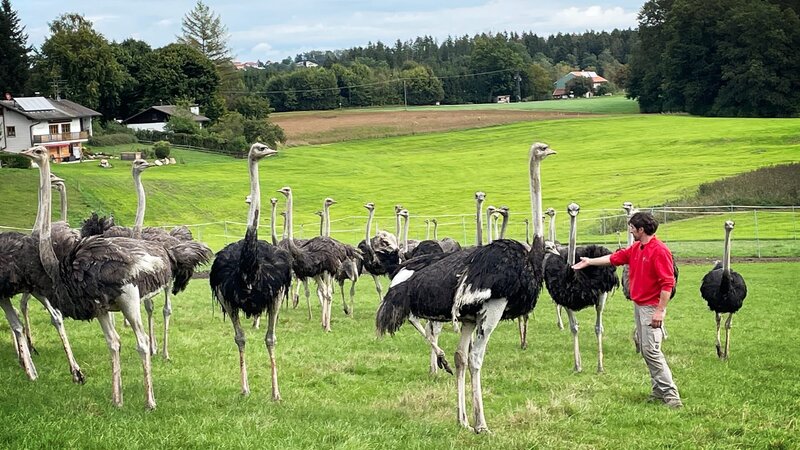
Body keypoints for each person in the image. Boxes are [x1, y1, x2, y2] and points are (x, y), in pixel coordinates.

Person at [572, 211, 682, 408]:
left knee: (652, 351)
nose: (630, 231)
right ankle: (658, 391)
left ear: (641, 229)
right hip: (640, 305)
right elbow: (615, 258)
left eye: (632, 228)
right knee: (647, 350)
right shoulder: (637, 248)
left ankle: (672, 396)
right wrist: (590, 261)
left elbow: (667, 283)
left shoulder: (659, 251)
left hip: (651, 307)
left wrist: (660, 310)